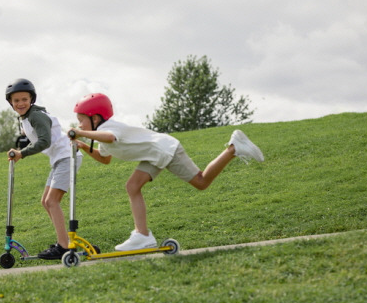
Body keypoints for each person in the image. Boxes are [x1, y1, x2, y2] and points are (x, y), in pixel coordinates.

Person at [68, 93, 264, 251]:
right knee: (132, 186)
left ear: (95, 118)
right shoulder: (100, 137)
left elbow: (110, 137)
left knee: (201, 182)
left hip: (165, 149)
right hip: (154, 154)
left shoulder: (109, 128)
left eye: (81, 121)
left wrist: (82, 134)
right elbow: (105, 159)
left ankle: (232, 148)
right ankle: (142, 235)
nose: (79, 126)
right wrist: (84, 146)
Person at [5, 78, 82, 259]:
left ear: (31, 99)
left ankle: (63, 247)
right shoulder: (28, 117)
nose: (20, 103)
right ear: (11, 103)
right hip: (58, 159)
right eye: (16, 101)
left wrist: (21, 153)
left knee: (52, 201)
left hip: (66, 157)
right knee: (45, 202)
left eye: (24, 99)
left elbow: (44, 141)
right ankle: (63, 241)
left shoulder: (35, 116)